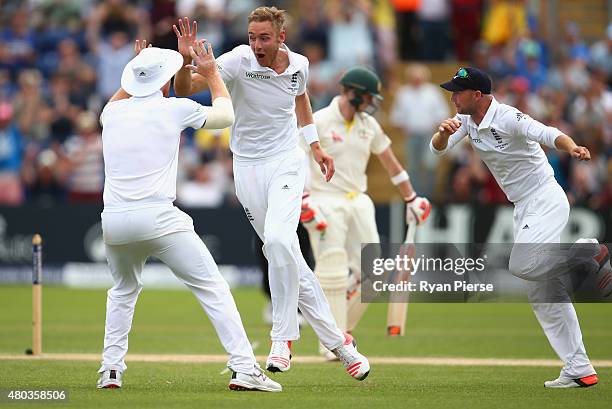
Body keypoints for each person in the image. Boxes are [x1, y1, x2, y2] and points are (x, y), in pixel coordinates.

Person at [173, 9, 370, 381]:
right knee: (285, 253)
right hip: (246, 167)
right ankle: (342, 346)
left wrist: (315, 147)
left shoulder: (300, 64)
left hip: (286, 161)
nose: (257, 44)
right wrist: (186, 63)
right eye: (252, 36)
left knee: (280, 241)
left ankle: (282, 337)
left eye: (264, 37)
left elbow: (301, 100)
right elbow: (184, 90)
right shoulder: (236, 60)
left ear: (281, 36)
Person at [97, 40, 281, 392]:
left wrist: (141, 65)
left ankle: (111, 370)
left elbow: (122, 95)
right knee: (212, 287)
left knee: (122, 291)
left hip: (115, 222)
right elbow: (225, 116)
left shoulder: (112, 114)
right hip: (158, 217)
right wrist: (211, 74)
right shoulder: (173, 108)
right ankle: (244, 367)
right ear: (163, 81)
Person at [430, 66, 605, 388]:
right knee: (543, 292)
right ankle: (580, 368)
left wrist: (572, 148)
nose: (452, 97)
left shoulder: (508, 116)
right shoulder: (468, 122)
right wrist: (442, 132)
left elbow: (548, 133)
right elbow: (437, 147)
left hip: (545, 199)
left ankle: (586, 253)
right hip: (524, 207)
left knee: (522, 265)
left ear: (478, 95)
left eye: (458, 92)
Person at [302, 67, 431, 358]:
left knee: (374, 275)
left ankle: (335, 333)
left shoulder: (368, 125)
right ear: (352, 93)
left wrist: (412, 198)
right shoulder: (319, 121)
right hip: (325, 200)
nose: (372, 103)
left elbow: (392, 164)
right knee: (332, 272)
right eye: (369, 97)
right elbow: (297, 158)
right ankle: (332, 345)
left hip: (358, 200)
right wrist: (303, 199)